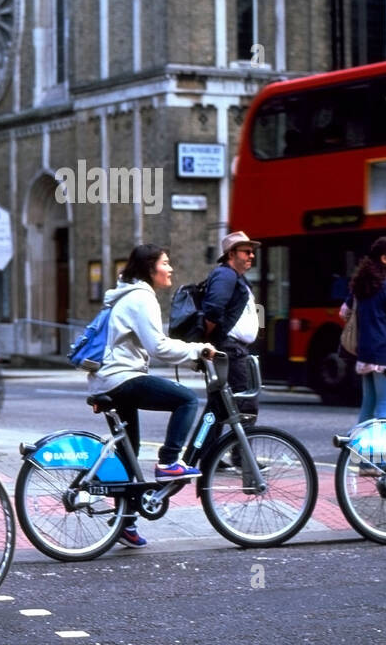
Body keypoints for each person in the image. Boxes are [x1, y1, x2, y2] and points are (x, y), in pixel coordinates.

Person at [86, 245, 215, 548]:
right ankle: (170, 461)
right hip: (121, 379)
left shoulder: (126, 294)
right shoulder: (142, 297)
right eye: (166, 263)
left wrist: (190, 356)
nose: (170, 269)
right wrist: (197, 350)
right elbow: (158, 346)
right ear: (150, 268)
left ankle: (125, 523)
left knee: (129, 451)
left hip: (107, 379)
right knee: (186, 399)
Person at [340, 236, 386, 423]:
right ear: (384, 259)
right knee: (385, 407)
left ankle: (355, 448)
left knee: (368, 405)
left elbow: (344, 312)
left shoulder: (360, 284)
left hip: (364, 351)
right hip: (385, 352)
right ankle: (380, 450)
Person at [199, 232, 261, 420]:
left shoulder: (235, 277)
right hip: (230, 350)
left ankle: (205, 450)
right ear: (232, 254)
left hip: (232, 349)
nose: (252, 255)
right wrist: (212, 341)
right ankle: (241, 450)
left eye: (252, 252)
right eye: (247, 252)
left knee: (217, 408)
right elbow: (213, 310)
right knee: (245, 407)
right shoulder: (225, 274)